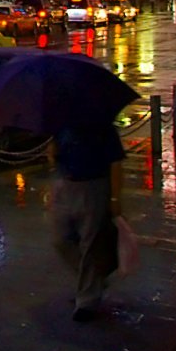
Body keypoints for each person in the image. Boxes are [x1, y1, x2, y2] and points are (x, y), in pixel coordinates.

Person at [50, 112, 126, 321]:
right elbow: (55, 155)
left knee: (91, 241)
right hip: (66, 184)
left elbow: (115, 162)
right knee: (61, 239)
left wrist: (115, 198)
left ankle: (87, 300)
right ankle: (94, 280)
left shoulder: (102, 126)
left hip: (93, 185)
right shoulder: (61, 124)